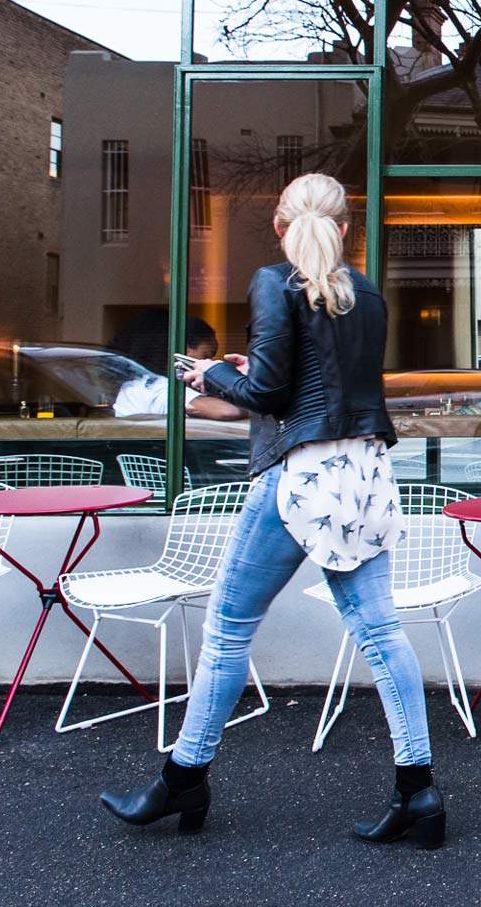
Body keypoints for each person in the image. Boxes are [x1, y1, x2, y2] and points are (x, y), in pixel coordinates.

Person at [100, 173, 445, 849]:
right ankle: (419, 790)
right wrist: (254, 368)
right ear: (345, 228)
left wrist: (210, 375)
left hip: (300, 476)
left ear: (283, 227)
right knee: (380, 632)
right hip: (364, 475)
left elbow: (265, 393)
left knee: (228, 628)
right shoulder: (368, 294)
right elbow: (320, 378)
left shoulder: (273, 282)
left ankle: (183, 777)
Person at [111, 317, 244, 421]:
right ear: (183, 349)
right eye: (205, 356)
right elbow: (227, 411)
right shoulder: (156, 388)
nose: (207, 363)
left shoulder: (136, 386)